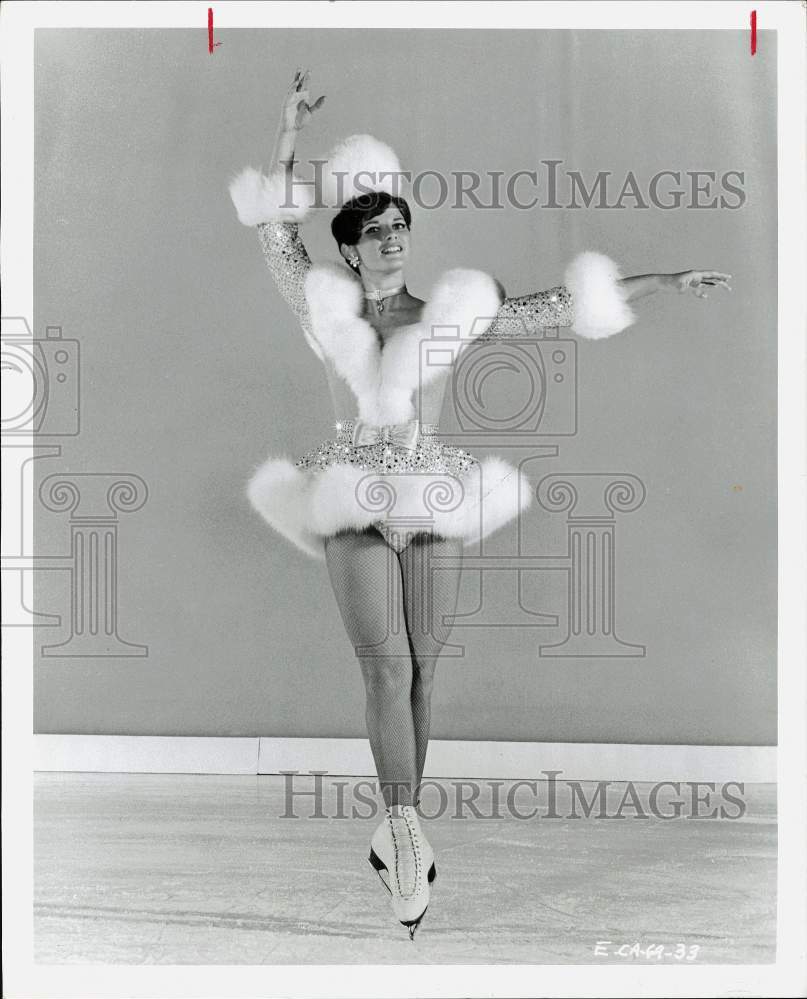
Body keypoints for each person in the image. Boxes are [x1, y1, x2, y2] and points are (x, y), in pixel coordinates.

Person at [228, 68, 732, 938]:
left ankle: (400, 828)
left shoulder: (448, 313)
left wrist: (665, 279)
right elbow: (275, 231)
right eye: (375, 233)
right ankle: (402, 834)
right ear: (348, 248)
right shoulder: (324, 309)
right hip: (349, 488)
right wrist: (287, 132)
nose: (391, 242)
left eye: (399, 230)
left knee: (425, 668)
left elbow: (557, 309)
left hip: (431, 489)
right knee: (382, 667)